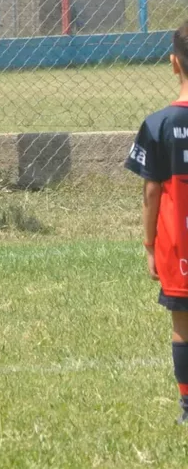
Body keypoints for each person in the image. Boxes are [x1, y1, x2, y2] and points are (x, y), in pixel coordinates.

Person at [125, 22, 188, 425]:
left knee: (183, 323)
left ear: (173, 63)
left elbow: (151, 194)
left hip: (178, 249)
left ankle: (187, 404)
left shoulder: (159, 125)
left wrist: (149, 246)